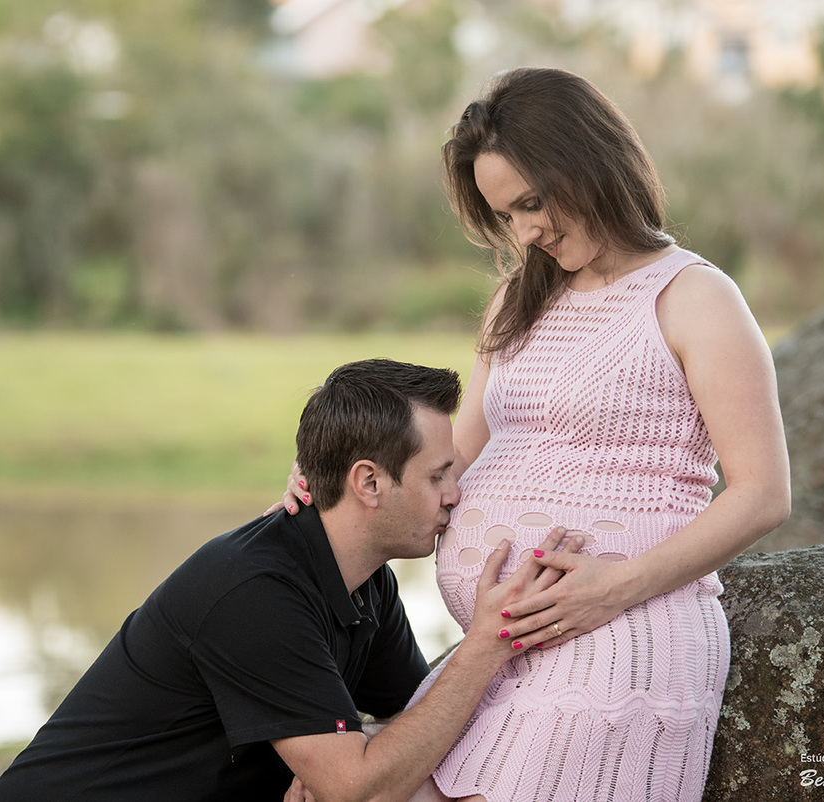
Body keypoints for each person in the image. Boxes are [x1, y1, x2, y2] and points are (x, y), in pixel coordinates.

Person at [282, 68, 791, 801]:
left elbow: (762, 494)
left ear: (588, 162)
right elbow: (449, 462)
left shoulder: (694, 297)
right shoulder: (515, 305)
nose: (526, 232)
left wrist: (612, 590)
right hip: (501, 653)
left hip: (619, 641)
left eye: (531, 203)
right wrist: (335, 482)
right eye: (507, 215)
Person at [0, 358, 582, 802]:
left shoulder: (365, 582)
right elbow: (360, 790)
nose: (456, 496)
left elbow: (416, 721)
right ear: (369, 483)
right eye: (438, 476)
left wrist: (337, 750)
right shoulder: (255, 592)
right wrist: (489, 640)